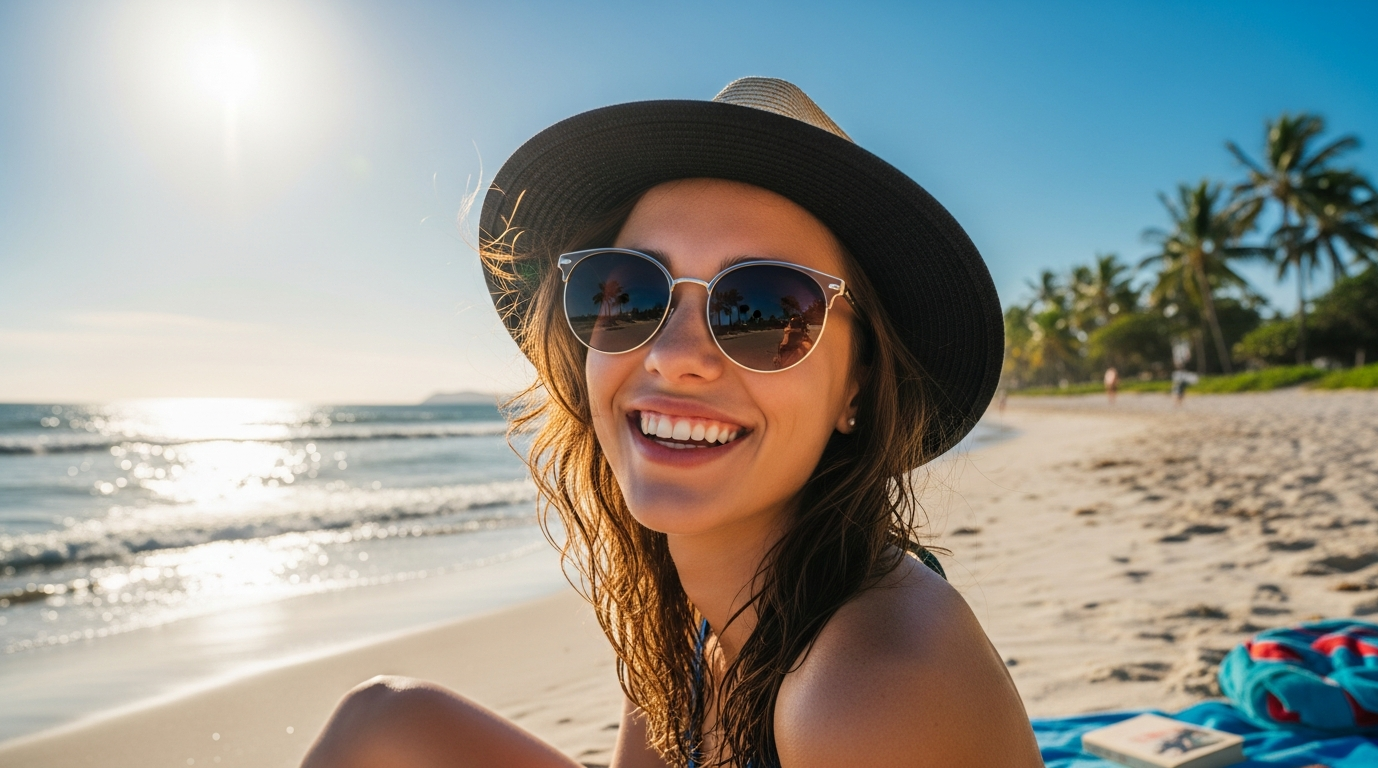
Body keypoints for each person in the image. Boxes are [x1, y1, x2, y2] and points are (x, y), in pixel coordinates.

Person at [302, 78, 1041, 768]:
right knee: (386, 721)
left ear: (859, 384)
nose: (675, 357)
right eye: (626, 295)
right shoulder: (695, 606)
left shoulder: (869, 696)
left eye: (768, 310)